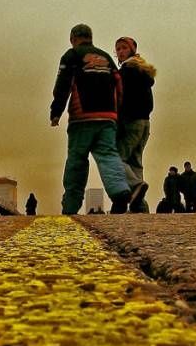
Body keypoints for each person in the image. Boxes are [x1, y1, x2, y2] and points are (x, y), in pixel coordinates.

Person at [50, 24, 131, 215]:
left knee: (77, 160)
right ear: (90, 37)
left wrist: (56, 111)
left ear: (73, 39)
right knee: (108, 155)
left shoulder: (72, 55)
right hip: (108, 117)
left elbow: (63, 84)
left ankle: (71, 205)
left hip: (82, 117)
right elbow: (119, 86)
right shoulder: (107, 58)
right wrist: (117, 113)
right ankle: (120, 191)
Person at [114, 36, 156, 213]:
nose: (120, 52)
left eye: (124, 48)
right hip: (145, 122)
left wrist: (118, 119)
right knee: (136, 163)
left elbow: (121, 98)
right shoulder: (143, 71)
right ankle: (140, 206)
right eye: (118, 49)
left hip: (130, 121)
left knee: (117, 158)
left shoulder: (127, 71)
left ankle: (135, 185)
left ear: (132, 50)